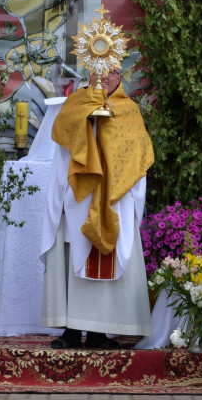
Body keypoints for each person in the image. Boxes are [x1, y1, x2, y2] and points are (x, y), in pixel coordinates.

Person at [39, 67, 154, 349]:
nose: (104, 77)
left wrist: (129, 198)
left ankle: (99, 332)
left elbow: (138, 157)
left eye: (112, 72)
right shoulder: (76, 103)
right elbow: (63, 144)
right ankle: (71, 330)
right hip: (80, 194)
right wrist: (88, 113)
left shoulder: (129, 110)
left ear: (120, 77)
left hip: (114, 198)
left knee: (105, 259)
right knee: (73, 257)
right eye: (98, 71)